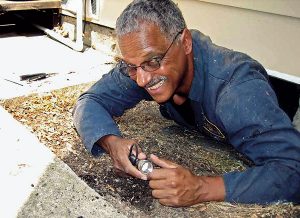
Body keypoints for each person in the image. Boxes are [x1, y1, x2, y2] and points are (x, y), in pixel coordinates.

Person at [73, 0, 300, 206]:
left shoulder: (235, 91)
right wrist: (111, 143)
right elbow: (89, 101)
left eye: (153, 61)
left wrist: (202, 188)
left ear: (185, 42)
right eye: (132, 66)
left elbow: (293, 171)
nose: (141, 80)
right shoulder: (142, 65)